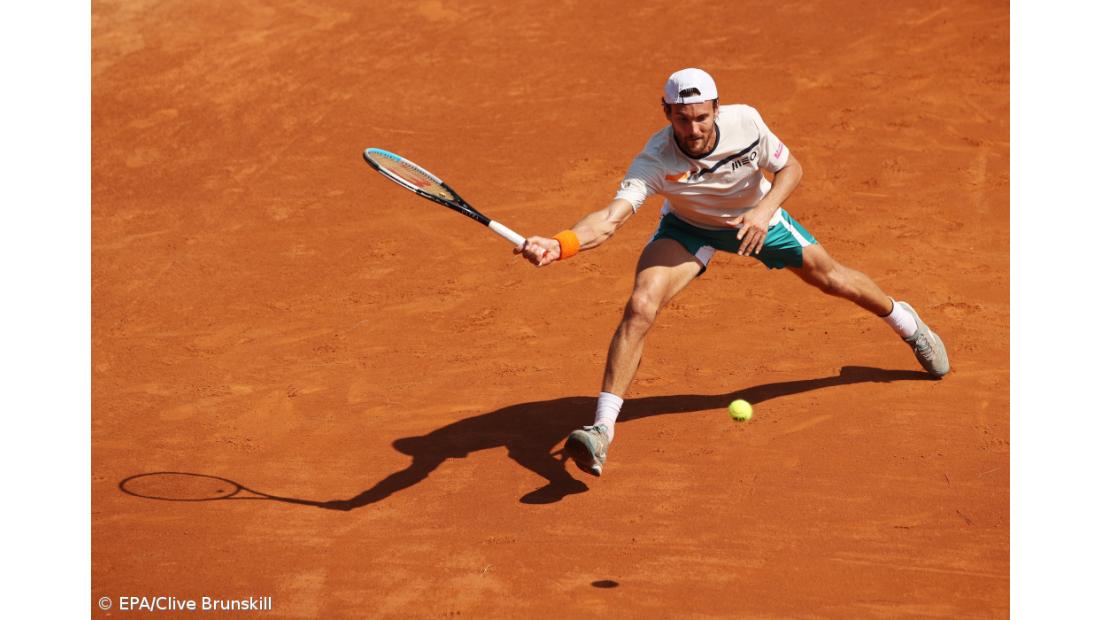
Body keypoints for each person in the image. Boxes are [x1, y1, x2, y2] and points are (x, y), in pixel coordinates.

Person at [517, 68, 949, 477]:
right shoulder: (655, 158)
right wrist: (562, 244)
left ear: (716, 109)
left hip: (754, 217)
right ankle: (602, 430)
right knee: (640, 305)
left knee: (832, 279)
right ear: (666, 113)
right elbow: (611, 218)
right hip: (688, 228)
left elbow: (790, 168)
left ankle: (906, 323)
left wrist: (763, 211)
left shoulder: (747, 123)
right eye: (683, 119)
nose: (694, 129)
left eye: (702, 117)